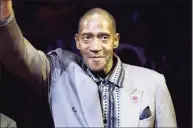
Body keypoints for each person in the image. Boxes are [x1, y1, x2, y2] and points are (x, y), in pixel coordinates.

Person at [0, 0, 177, 127]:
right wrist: (5, 11)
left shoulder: (153, 83)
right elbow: (18, 55)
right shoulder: (58, 72)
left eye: (103, 37)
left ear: (116, 41)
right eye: (87, 38)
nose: (95, 47)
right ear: (77, 41)